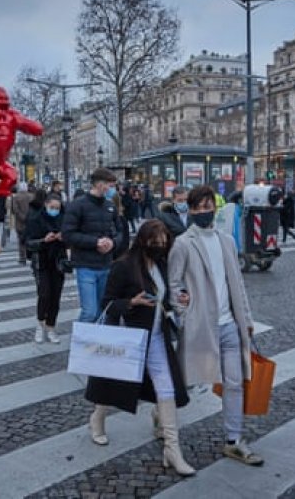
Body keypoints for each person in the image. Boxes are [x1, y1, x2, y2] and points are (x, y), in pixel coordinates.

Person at [84, 219, 194, 476]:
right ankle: (97, 418)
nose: (160, 246)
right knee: (111, 385)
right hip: (128, 338)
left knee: (166, 388)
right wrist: (131, 302)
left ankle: (172, 448)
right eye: (155, 242)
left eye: (164, 242)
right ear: (143, 241)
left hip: (157, 337)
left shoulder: (163, 265)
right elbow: (108, 303)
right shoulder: (123, 266)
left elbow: (167, 296)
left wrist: (180, 298)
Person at [168, 185, 264, 467]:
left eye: (207, 206)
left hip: (229, 326)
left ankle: (234, 441)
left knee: (234, 383)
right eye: (197, 207)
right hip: (200, 327)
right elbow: (174, 285)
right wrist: (184, 315)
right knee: (186, 382)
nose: (202, 212)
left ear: (215, 207)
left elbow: (238, 285)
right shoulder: (183, 243)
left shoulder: (227, 241)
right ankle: (162, 417)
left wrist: (245, 320)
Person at [62, 167, 123, 324]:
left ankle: (95, 341)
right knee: (89, 312)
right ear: (100, 184)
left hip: (106, 264)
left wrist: (113, 242)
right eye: (110, 186)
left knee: (102, 310)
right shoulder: (77, 205)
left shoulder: (110, 206)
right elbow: (68, 234)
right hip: (86, 265)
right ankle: (79, 341)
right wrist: (95, 242)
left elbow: (120, 232)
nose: (112, 189)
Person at [26, 193, 67, 344]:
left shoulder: (64, 219)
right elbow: (28, 243)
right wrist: (44, 240)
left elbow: (71, 239)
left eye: (57, 208)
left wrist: (64, 238)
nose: (55, 210)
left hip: (58, 262)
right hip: (41, 262)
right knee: (44, 294)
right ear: (45, 205)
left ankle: (51, 327)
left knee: (55, 296)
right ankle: (40, 323)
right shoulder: (35, 219)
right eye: (52, 207)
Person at [12, 182, 33, 265]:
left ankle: (22, 258)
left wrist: (22, 217)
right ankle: (31, 256)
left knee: (21, 241)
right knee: (31, 240)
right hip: (30, 222)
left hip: (20, 223)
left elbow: (15, 210)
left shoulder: (16, 197)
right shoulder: (31, 196)